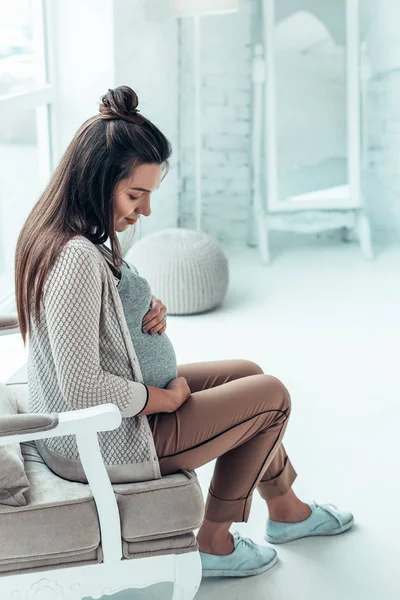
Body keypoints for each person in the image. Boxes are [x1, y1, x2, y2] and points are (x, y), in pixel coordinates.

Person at [15, 86, 354, 579]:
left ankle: (285, 510)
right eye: (136, 195)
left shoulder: (64, 233)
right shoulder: (74, 259)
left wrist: (143, 309)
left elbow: (93, 319)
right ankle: (214, 542)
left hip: (119, 418)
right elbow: (82, 388)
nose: (145, 211)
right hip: (108, 440)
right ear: (96, 181)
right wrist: (163, 400)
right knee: (272, 395)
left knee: (248, 373)